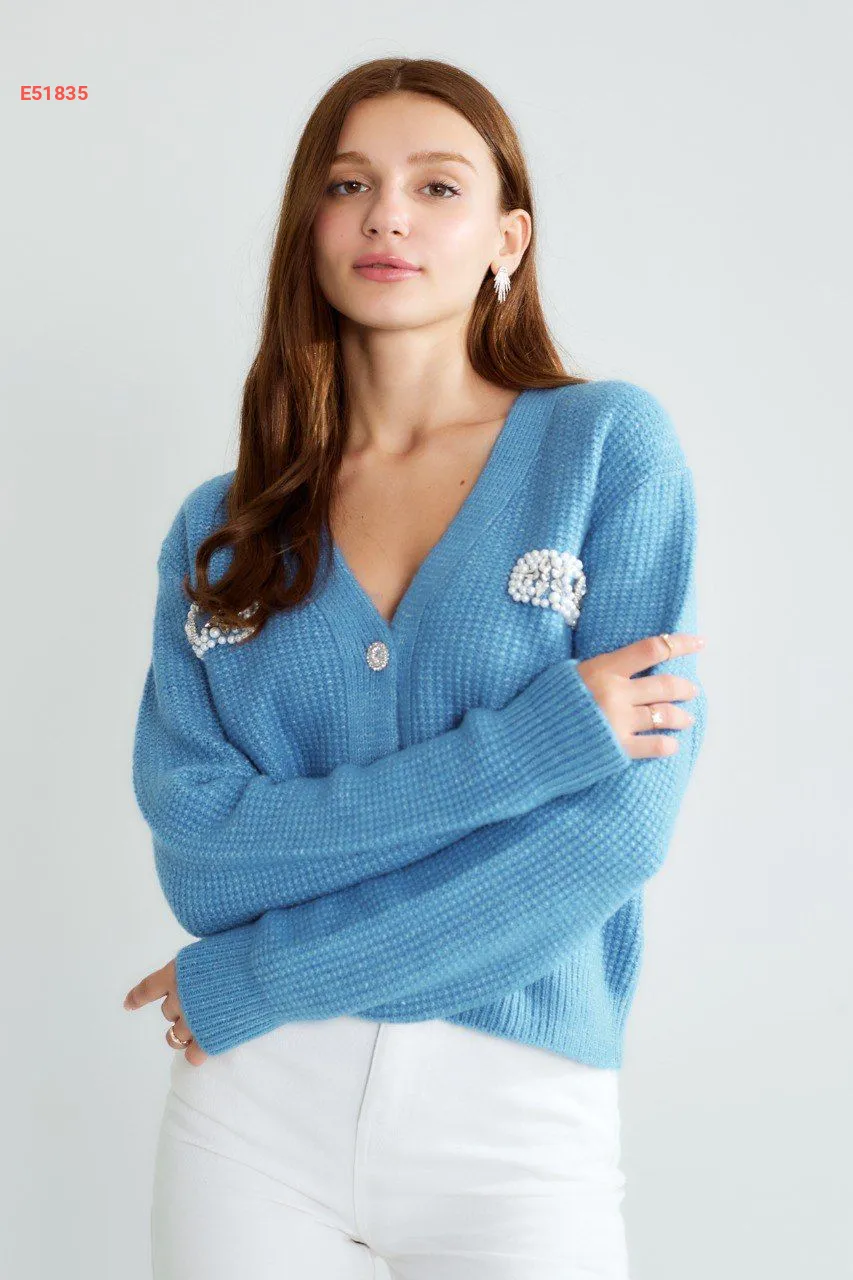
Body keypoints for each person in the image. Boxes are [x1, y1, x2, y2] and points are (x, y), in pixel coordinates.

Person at [125, 55, 707, 1280]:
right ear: (309, 228)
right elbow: (207, 856)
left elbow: (612, 833)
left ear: (507, 238)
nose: (387, 215)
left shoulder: (605, 450)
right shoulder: (221, 528)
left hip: (514, 1113)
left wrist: (264, 971)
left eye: (436, 186)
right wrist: (537, 745)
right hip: (250, 1120)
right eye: (349, 184)